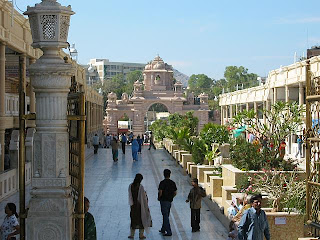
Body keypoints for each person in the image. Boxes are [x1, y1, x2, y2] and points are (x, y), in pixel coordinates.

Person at [128, 174, 152, 239]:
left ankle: (132, 234)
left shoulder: (130, 186)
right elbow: (143, 198)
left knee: (133, 219)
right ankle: (141, 234)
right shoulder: (140, 187)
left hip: (133, 206)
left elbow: (130, 196)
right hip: (140, 206)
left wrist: (131, 204)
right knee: (141, 219)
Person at [158, 169, 177, 236]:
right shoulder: (172, 183)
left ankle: (169, 231)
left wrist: (159, 197)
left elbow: (160, 192)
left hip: (163, 201)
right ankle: (163, 228)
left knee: (165, 215)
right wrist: (171, 197)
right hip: (169, 201)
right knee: (166, 215)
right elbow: (175, 192)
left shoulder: (162, 183)